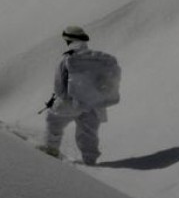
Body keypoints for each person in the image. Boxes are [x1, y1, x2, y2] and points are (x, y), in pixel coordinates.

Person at [37, 25, 121, 165]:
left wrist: (56, 102)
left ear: (68, 40)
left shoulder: (67, 59)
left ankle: (51, 151)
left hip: (71, 103)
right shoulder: (97, 59)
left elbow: (59, 87)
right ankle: (90, 161)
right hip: (95, 105)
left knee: (53, 123)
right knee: (88, 135)